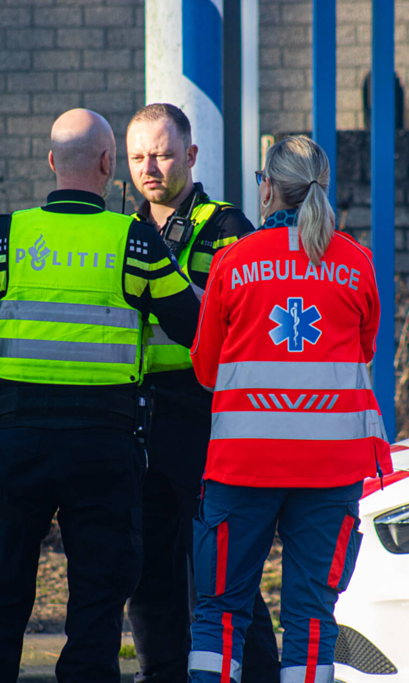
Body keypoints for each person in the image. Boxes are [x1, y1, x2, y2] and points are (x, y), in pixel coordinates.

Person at [0, 108, 202, 683]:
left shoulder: (5, 236)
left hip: (16, 444)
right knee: (97, 610)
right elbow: (193, 327)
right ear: (110, 165)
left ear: (53, 162)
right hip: (104, 449)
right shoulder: (132, 239)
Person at [187, 136, 393, 683]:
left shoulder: (233, 262)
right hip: (331, 471)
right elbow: (363, 352)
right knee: (311, 619)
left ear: (271, 188)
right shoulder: (356, 262)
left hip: (243, 466)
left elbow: (206, 370)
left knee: (219, 613)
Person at [123, 103, 280, 683]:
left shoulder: (227, 226)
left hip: (204, 414)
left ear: (190, 155)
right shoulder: (124, 229)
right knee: (147, 563)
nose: (151, 167)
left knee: (218, 564)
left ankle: (258, 670)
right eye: (139, 157)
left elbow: (241, 315)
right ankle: (159, 672)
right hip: (140, 413)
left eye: (162, 154)